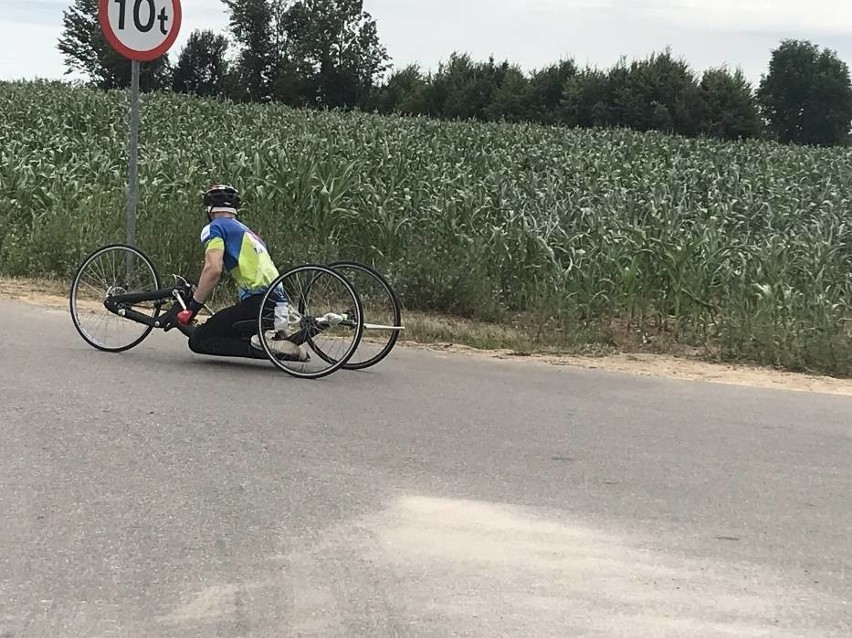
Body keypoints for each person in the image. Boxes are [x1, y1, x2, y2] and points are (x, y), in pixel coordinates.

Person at [169, 184, 309, 362]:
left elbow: (213, 269)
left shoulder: (216, 227)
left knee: (199, 339)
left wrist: (194, 307)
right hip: (277, 303)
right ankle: (272, 340)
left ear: (210, 209)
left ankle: (270, 349)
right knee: (228, 324)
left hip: (257, 302)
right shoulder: (248, 232)